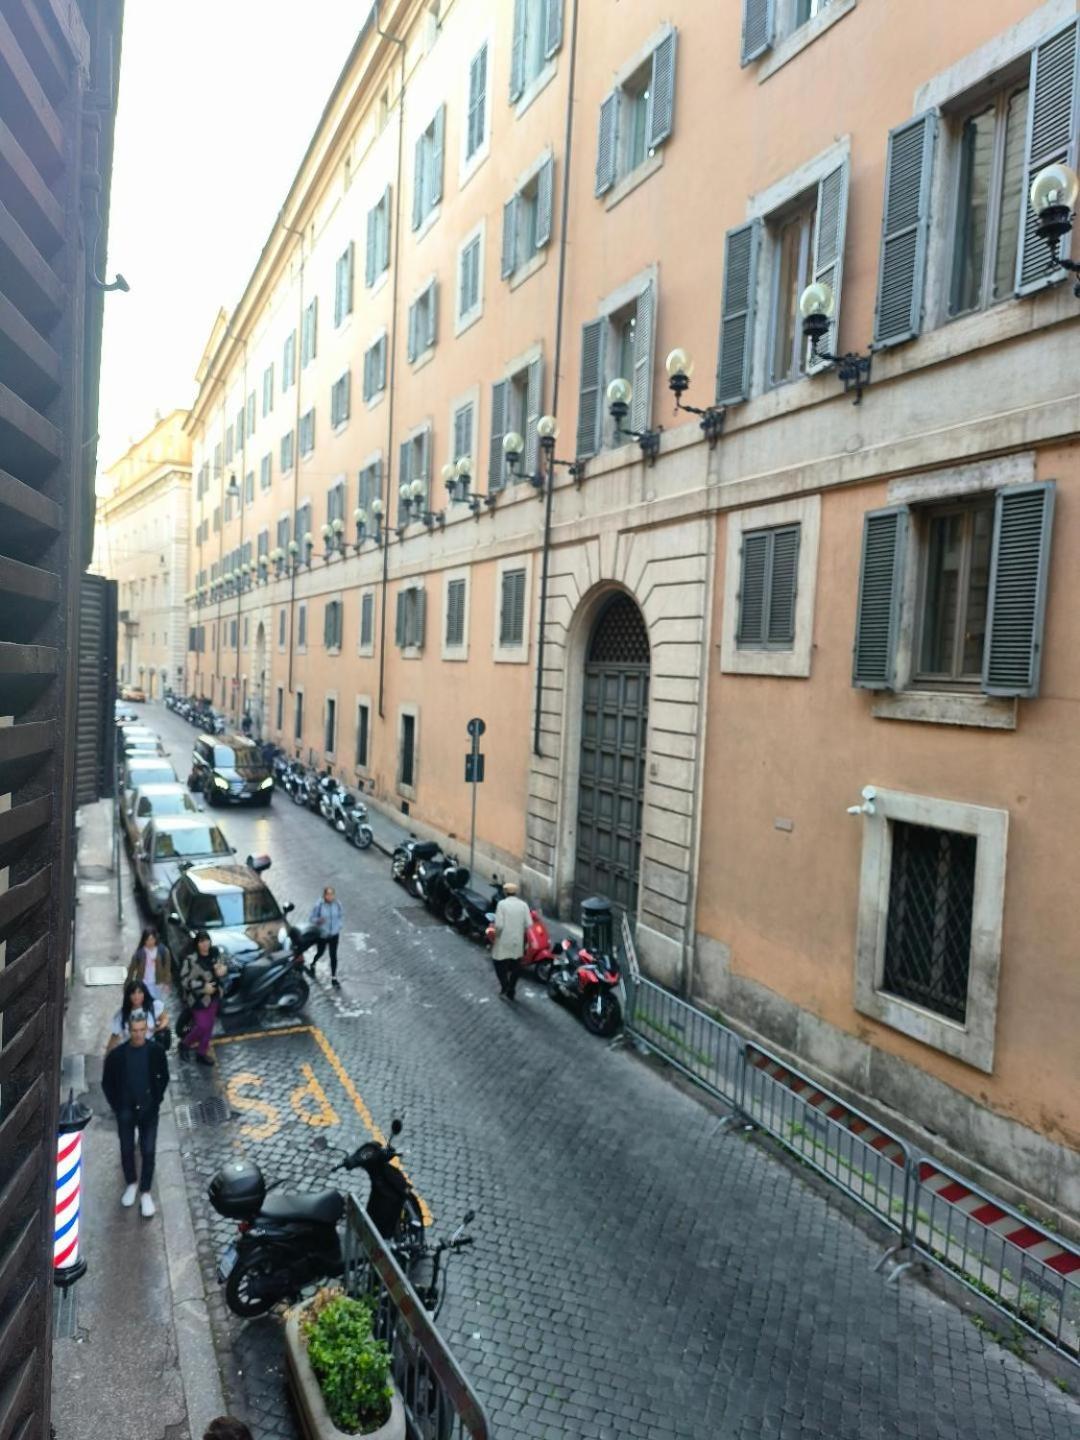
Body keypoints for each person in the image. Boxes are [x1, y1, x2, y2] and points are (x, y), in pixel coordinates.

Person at [101, 1008, 169, 1217]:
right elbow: (107, 1083)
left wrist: (156, 1100)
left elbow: (163, 1076)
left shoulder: (155, 1051)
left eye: (141, 1030)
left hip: (148, 1109)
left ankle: (145, 1191)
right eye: (134, 1030)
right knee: (126, 1148)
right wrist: (117, 1106)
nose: (138, 1034)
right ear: (129, 1030)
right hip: (126, 1110)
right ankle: (131, 1182)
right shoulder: (117, 1056)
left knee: (148, 1150)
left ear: (146, 1029)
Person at [178, 930, 228, 1066]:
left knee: (209, 1026)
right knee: (202, 1025)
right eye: (201, 941)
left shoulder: (215, 953)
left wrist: (223, 970)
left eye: (207, 940)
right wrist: (202, 986)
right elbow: (184, 981)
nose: (205, 944)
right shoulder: (190, 960)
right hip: (198, 998)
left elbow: (224, 965)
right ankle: (184, 1044)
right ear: (197, 943)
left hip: (215, 996)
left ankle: (201, 1053)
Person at [491, 882, 531, 1002]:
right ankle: (512, 989)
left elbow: (499, 925)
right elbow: (529, 924)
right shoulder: (523, 905)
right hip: (518, 941)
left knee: (498, 963)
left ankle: (505, 986)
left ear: (505, 892)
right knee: (516, 966)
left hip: (503, 940)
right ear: (515, 893)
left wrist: (496, 937)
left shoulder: (502, 904)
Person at [107, 978, 169, 1052]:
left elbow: (164, 1018)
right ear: (128, 996)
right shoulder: (122, 1014)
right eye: (133, 993)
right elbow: (114, 1037)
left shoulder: (153, 1006)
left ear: (144, 993)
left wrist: (158, 1028)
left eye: (140, 992)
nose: (137, 996)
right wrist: (108, 1056)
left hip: (151, 1050)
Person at [308, 885, 344, 986]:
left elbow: (340, 915)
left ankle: (334, 977)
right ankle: (313, 963)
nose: (330, 896)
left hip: (334, 935)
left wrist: (339, 926)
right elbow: (311, 918)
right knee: (320, 952)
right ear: (324, 895)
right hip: (323, 935)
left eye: (332, 894)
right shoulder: (319, 905)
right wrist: (318, 921)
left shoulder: (337, 904)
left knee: (333, 956)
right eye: (328, 894)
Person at [126, 925, 173, 999]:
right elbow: (131, 970)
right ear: (144, 940)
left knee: (157, 1004)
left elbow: (167, 968)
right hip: (144, 984)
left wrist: (167, 983)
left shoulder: (163, 951)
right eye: (147, 940)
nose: (150, 942)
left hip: (158, 984)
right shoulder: (139, 953)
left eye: (152, 939)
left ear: (155, 938)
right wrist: (127, 986)